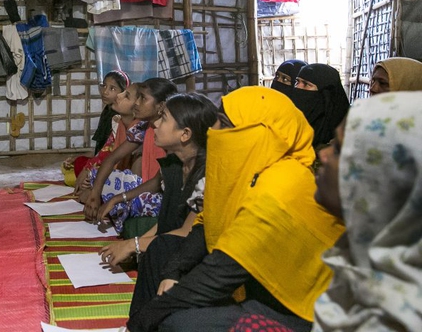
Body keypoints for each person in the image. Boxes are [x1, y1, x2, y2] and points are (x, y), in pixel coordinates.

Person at [126, 87, 345, 332]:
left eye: (223, 124)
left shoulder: (283, 185)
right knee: (163, 250)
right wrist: (173, 271)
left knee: (178, 323)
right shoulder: (249, 171)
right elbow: (205, 224)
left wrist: (147, 317)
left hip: (300, 310)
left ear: (256, 134)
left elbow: (221, 270)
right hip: (252, 284)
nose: (213, 131)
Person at [313, 91, 422, 332]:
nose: (324, 155)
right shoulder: (366, 266)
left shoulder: (391, 321)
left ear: (383, 177)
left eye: (340, 149)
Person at [98, 93, 217, 270]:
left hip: (190, 262)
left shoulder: (207, 176)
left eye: (164, 119)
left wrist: (134, 245)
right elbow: (164, 223)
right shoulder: (174, 165)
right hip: (167, 248)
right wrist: (136, 247)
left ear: (185, 134)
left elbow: (187, 232)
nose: (156, 124)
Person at [83, 78, 177, 231]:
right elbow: (111, 158)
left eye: (143, 98)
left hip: (162, 193)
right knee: (95, 176)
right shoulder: (143, 128)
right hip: (143, 185)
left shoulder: (170, 133)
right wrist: (95, 193)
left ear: (161, 106)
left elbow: (158, 181)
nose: (137, 103)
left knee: (135, 203)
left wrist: (117, 199)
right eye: (137, 97)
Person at [62, 70, 130, 186]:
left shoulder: (120, 117)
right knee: (72, 165)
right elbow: (102, 148)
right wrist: (77, 157)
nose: (105, 92)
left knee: (74, 173)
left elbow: (111, 153)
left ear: (123, 92)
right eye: (104, 86)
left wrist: (87, 168)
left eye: (112, 88)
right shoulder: (107, 112)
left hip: (113, 165)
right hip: (103, 159)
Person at [72, 82, 139, 194]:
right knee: (80, 165)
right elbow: (105, 153)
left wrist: (95, 188)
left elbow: (134, 180)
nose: (118, 96)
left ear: (138, 106)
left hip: (127, 180)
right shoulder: (119, 122)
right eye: (104, 86)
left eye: (126, 95)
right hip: (114, 172)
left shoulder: (140, 131)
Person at [290, 63, 350, 148]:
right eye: (297, 82)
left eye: (306, 84)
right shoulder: (289, 124)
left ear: (325, 95)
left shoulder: (343, 134)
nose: (297, 88)